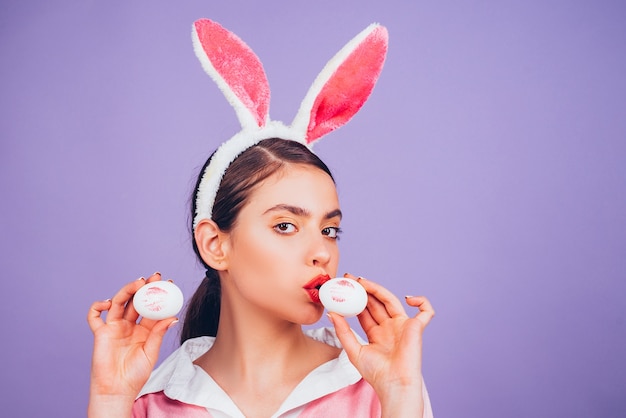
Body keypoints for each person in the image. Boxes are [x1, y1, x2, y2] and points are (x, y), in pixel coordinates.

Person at [87, 19, 434, 418]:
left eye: (330, 229)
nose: (322, 251)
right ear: (216, 244)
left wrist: (401, 392)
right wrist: (110, 399)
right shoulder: (147, 403)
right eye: (285, 225)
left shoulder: (379, 387)